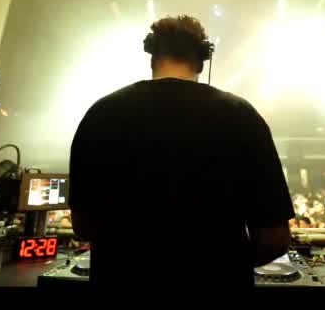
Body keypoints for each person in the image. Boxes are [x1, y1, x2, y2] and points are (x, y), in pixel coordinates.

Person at [68, 14, 294, 290]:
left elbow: (83, 225)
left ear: (151, 54)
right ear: (203, 59)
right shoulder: (242, 116)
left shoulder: (101, 114)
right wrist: (224, 265)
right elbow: (274, 239)